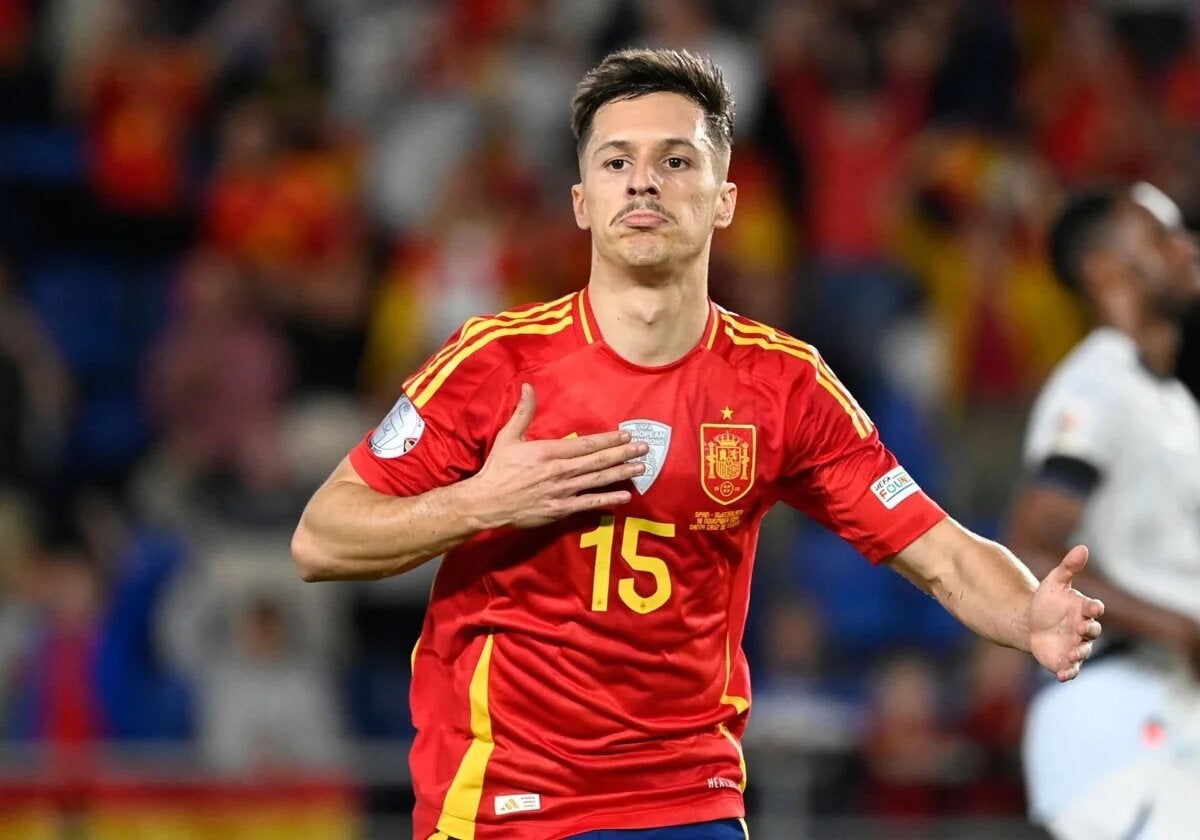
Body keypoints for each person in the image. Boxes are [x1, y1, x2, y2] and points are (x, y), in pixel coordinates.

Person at [292, 49, 1104, 840]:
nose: (643, 180)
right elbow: (321, 537)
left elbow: (940, 552)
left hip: (689, 800)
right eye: (616, 162)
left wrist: (1026, 612)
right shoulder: (496, 364)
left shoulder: (782, 386)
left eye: (676, 159)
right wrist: (481, 503)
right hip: (508, 801)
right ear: (581, 201)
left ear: (724, 200)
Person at [1008, 183, 1200, 840]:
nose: (1186, 247)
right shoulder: (1098, 383)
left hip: (1174, 712)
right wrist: (1180, 628)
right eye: (1160, 235)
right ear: (1105, 269)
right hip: (1120, 714)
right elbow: (1033, 551)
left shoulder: (1170, 401)